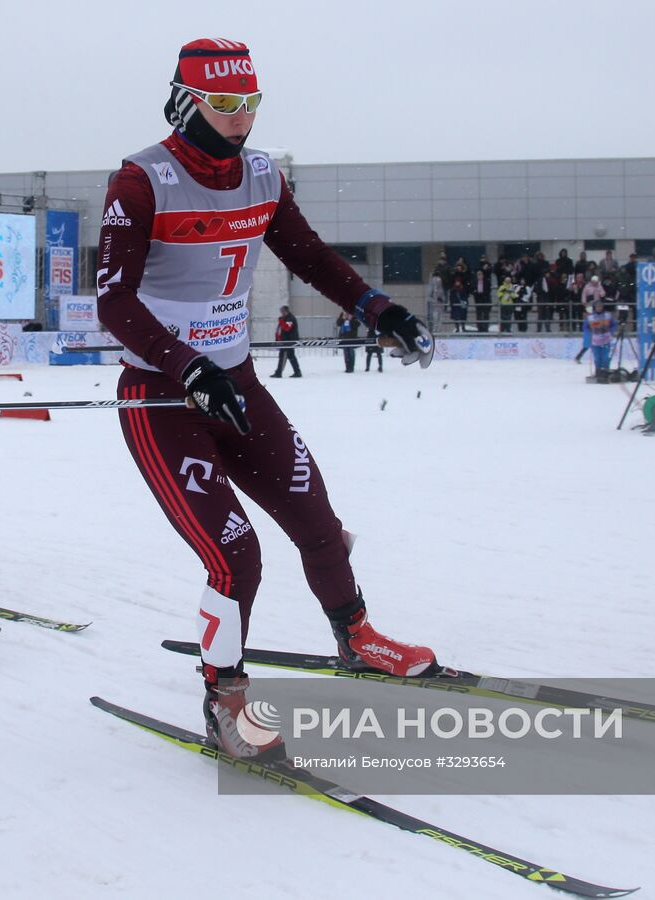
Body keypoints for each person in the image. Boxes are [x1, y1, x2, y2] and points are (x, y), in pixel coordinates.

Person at [94, 38, 437, 761]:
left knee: (318, 522)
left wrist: (381, 309)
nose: (241, 118)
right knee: (235, 554)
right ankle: (226, 701)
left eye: (251, 103)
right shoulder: (139, 182)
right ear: (188, 100)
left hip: (237, 386)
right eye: (224, 104)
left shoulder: (262, 175)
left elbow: (308, 257)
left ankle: (358, 636)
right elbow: (113, 302)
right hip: (162, 397)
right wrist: (186, 365)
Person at [585, 297, 616, 381]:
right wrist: (589, 336)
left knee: (605, 357)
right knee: (597, 358)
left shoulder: (608, 315)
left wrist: (611, 332)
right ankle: (598, 372)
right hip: (595, 341)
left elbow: (613, 325)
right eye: (598, 307)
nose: (599, 308)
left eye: (600, 306)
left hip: (606, 340)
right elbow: (586, 327)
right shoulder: (590, 317)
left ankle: (605, 371)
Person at [272, 305, 302, 377]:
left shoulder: (290, 319)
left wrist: (281, 321)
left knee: (283, 356)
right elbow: (280, 330)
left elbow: (286, 328)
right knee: (290, 356)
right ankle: (297, 372)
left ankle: (279, 373)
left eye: (282, 311)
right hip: (284, 341)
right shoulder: (285, 319)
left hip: (288, 341)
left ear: (286, 311)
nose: (281, 313)